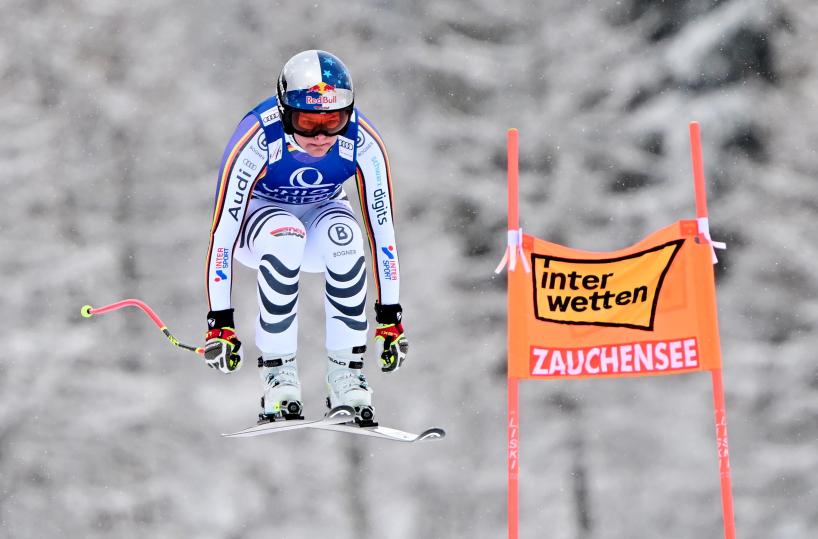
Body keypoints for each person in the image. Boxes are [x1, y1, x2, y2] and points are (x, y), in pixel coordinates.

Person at [202, 50, 408, 425]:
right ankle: (278, 375)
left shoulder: (362, 140)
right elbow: (223, 235)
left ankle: (346, 377)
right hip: (258, 227)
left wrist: (390, 316)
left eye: (333, 121)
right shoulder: (258, 137)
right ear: (285, 113)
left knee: (345, 237)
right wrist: (221, 322)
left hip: (320, 216)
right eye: (307, 122)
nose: (320, 136)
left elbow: (383, 232)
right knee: (286, 234)